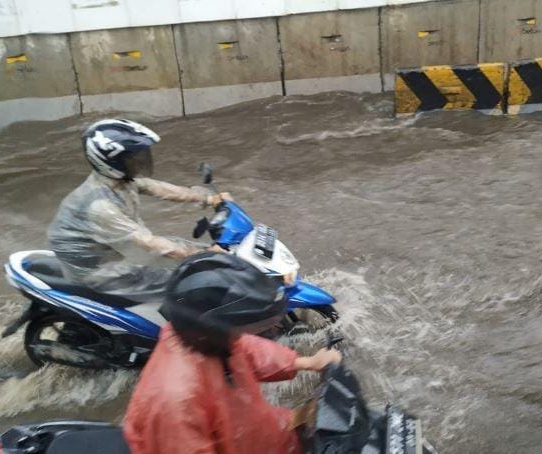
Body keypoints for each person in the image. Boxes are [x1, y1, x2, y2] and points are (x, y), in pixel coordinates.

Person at [123, 253, 342, 454]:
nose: (241, 335)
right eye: (237, 330)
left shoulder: (205, 340)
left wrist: (307, 362)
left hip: (266, 435)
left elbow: (249, 350)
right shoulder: (174, 401)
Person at [47, 118, 230, 300]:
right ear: (112, 162)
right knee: (189, 286)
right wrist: (201, 256)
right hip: (102, 273)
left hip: (114, 251)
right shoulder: (102, 208)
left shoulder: (119, 181)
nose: (141, 161)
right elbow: (147, 243)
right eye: (133, 157)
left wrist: (209, 198)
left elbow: (156, 187)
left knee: (199, 254)